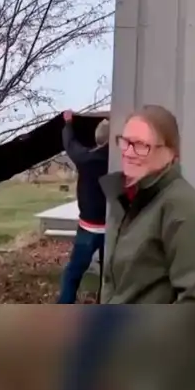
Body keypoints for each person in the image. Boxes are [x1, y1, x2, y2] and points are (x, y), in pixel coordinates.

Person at [99, 104, 195, 303]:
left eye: (142, 145)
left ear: (171, 152)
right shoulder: (127, 199)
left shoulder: (185, 210)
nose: (129, 152)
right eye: (125, 141)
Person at [57, 110, 110, 304]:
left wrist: (68, 123)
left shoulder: (86, 159)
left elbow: (70, 144)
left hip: (88, 228)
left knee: (73, 272)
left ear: (97, 139)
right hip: (112, 229)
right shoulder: (121, 163)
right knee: (109, 276)